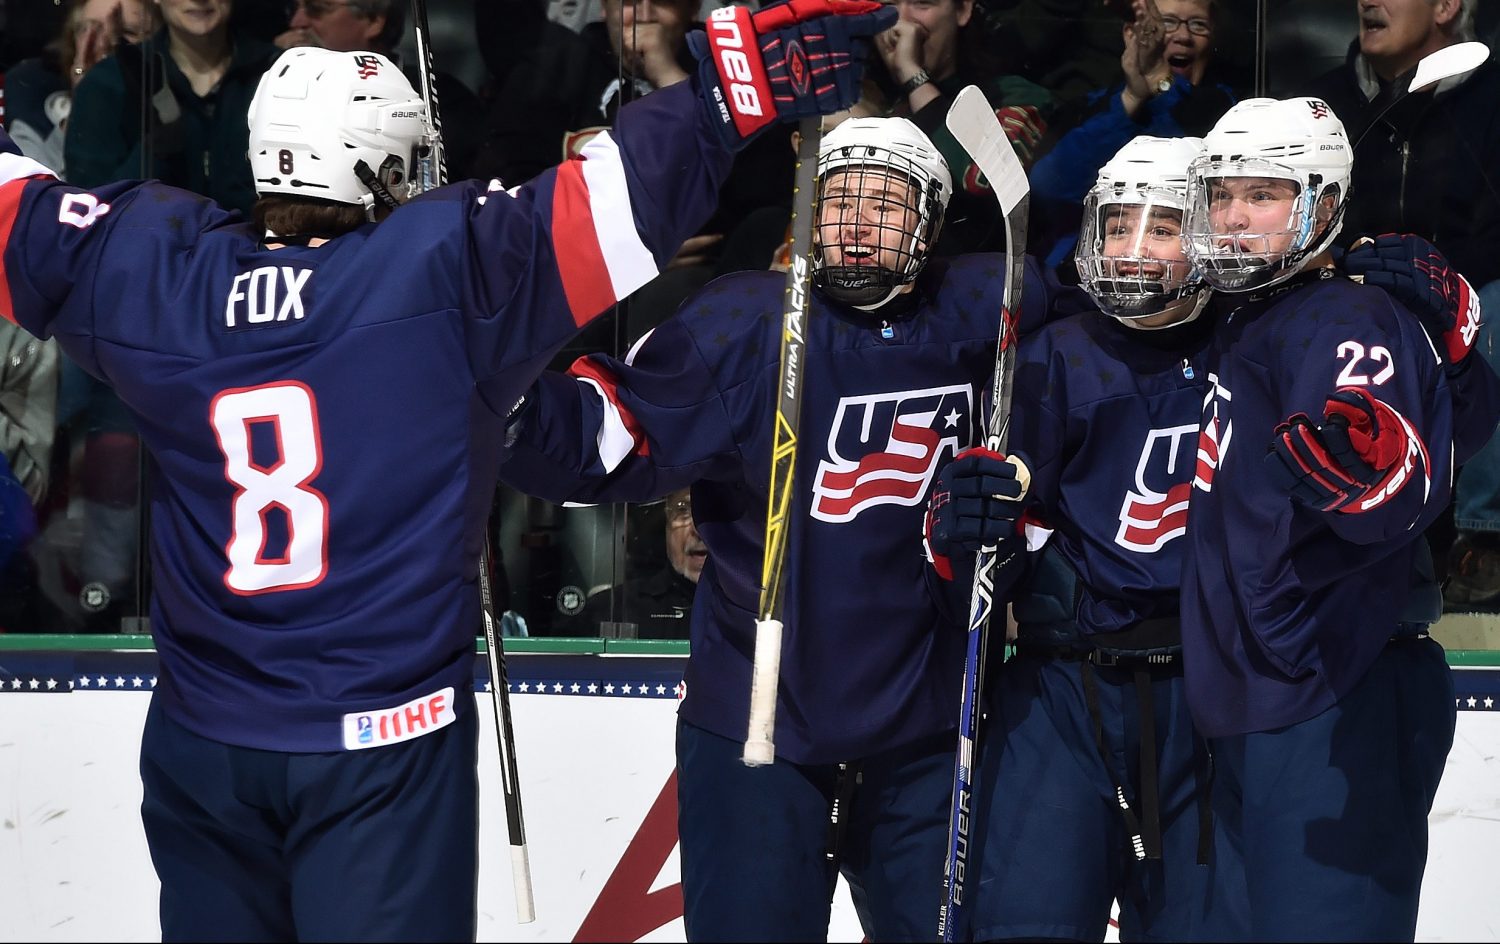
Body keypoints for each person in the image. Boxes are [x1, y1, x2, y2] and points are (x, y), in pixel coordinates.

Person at [0, 0, 894, 935]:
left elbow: (16, 216)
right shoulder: (441, 272)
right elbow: (619, 200)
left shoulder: (150, 267)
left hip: (200, 736)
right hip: (379, 750)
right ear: (381, 167)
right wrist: (724, 90)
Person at [497, 115, 1061, 940]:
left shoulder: (985, 303)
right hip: (758, 726)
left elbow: (1100, 356)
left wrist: (1023, 498)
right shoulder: (747, 324)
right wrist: (505, 408)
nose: (858, 223)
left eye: (886, 202)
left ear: (932, 222)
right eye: (839, 202)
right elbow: (613, 433)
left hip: (930, 722)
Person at [1175, 95, 1491, 941]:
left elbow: (1392, 471)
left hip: (1334, 685)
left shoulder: (1343, 316)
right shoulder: (1248, 318)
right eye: (1223, 196)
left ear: (1321, 204)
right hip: (1267, 693)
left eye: (1264, 195)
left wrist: (1374, 480)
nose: (1235, 218)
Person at [932, 134, 1239, 943]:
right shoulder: (1047, 360)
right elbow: (984, 537)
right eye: (1116, 225)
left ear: (1210, 236)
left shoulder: (1254, 348)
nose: (1133, 250)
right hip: (1062, 697)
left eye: (1163, 226)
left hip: (1210, 703)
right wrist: (964, 523)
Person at [1305, 0, 1500, 609]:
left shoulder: (1493, 96)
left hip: (1464, 291)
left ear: (1446, 7)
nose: (1368, 2)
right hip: (1355, 289)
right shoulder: (1325, 101)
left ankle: (1482, 540)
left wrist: (1436, 282)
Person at [1027, 0, 1237, 270]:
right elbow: (1049, 188)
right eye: (1166, 23)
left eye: (1198, 25)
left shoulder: (1224, 107)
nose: (1183, 37)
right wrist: (1133, 98)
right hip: (1080, 280)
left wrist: (1162, 82)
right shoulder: (1088, 107)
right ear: (1131, 34)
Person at [64, 0, 279, 216]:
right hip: (150, 246)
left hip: (258, 246)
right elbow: (90, 207)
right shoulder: (110, 82)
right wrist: (157, 148)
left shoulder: (279, 73)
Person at [272, 0, 485, 181]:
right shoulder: (269, 83)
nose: (297, 23)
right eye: (293, 10)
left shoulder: (436, 96)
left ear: (374, 21)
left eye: (316, 9)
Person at [565, 486, 704, 639]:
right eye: (683, 510)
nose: (699, 531)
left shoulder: (733, 613)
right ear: (665, 525)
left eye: (718, 512)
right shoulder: (606, 611)